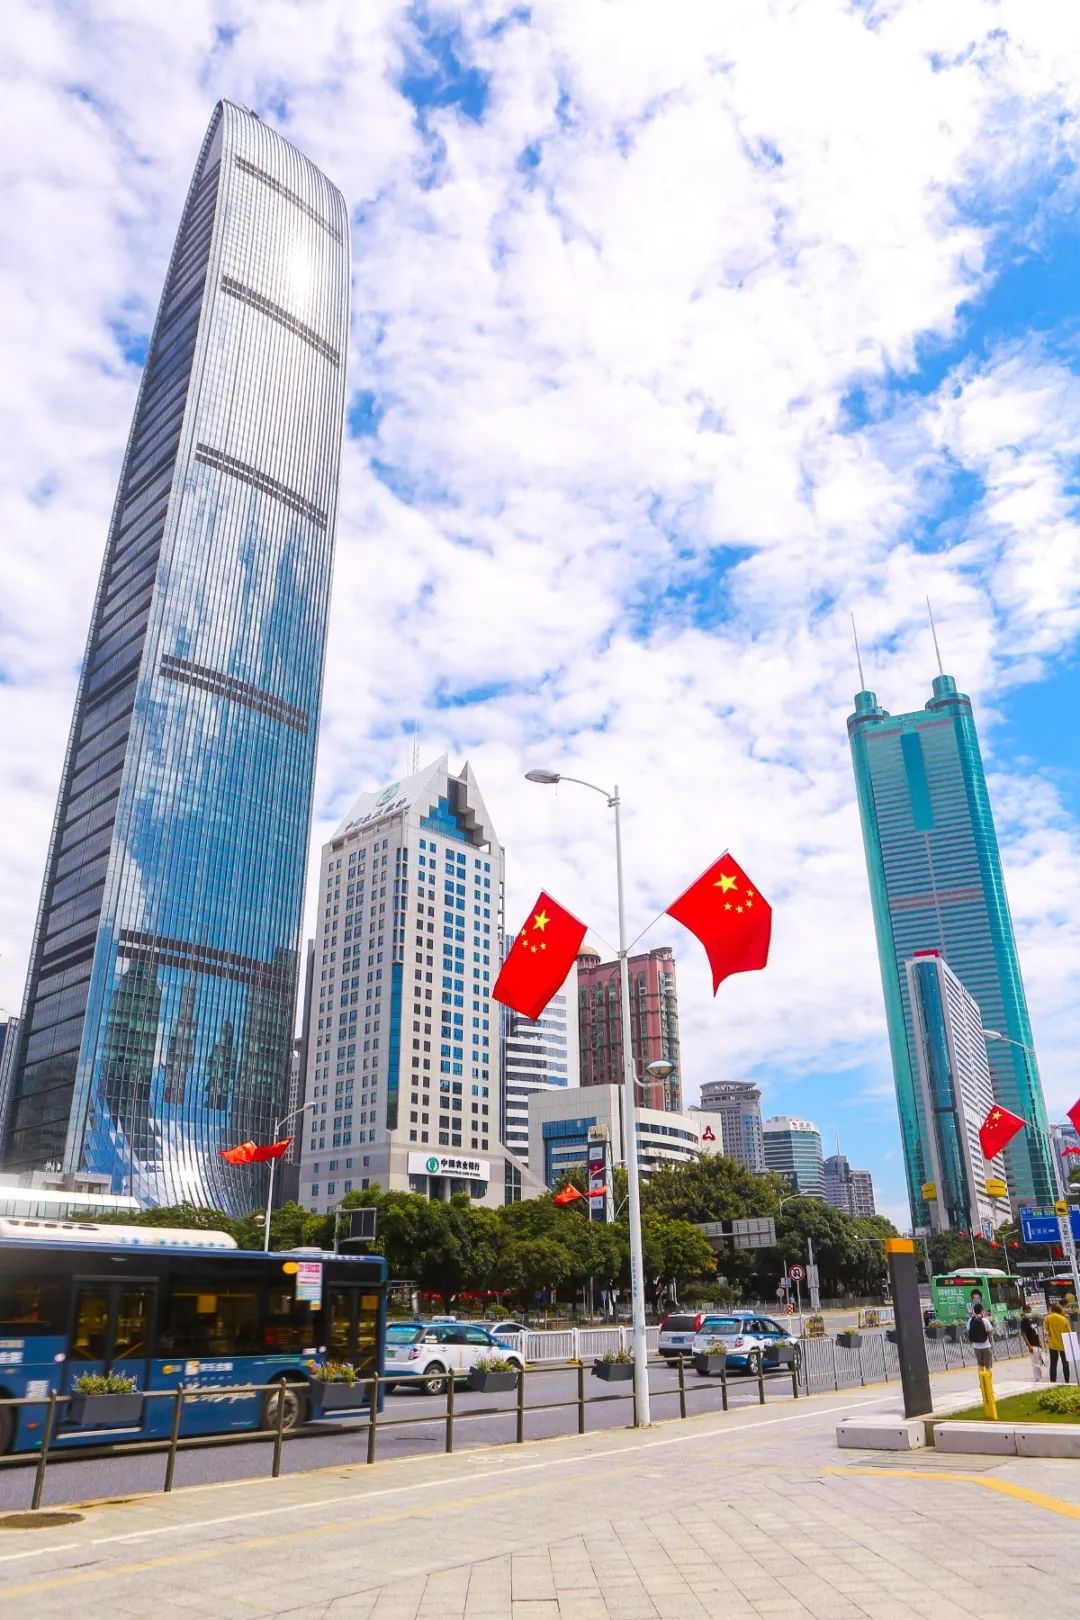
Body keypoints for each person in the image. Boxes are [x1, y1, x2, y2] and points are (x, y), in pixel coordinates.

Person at [1044, 1303, 1071, 1383]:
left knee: (1053, 1363)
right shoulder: (1064, 1319)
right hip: (1064, 1344)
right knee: (1065, 1363)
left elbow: (1046, 1331)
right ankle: (1067, 1381)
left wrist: (1047, 1340)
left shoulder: (1048, 1318)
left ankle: (1053, 1381)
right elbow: (1069, 1332)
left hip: (1052, 1344)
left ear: (1052, 1309)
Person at [1019, 1306, 1045, 1380]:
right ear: (1024, 1311)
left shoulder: (1033, 1319)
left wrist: (1040, 1342)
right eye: (1027, 1311)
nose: (1029, 1312)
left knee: (1039, 1361)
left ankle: (1039, 1376)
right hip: (1032, 1344)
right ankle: (1038, 1378)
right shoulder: (1024, 1321)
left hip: (1037, 1343)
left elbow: (1036, 1332)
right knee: (1035, 1363)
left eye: (1029, 1310)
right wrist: (1029, 1346)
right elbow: (1023, 1334)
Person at [966, 1302, 993, 1369]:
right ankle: (988, 1376)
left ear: (974, 1311)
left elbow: (968, 1331)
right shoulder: (985, 1320)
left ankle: (981, 1376)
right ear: (982, 1311)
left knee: (980, 1365)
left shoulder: (970, 1320)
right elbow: (990, 1332)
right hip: (986, 1346)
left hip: (976, 1347)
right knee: (988, 1366)